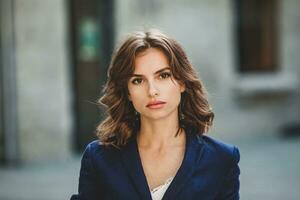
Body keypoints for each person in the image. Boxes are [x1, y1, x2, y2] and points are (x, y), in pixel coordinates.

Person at [71, 29, 240, 200]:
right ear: (127, 92)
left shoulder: (222, 159)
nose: (152, 91)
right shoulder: (99, 158)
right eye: (138, 80)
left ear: (182, 82)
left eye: (163, 75)